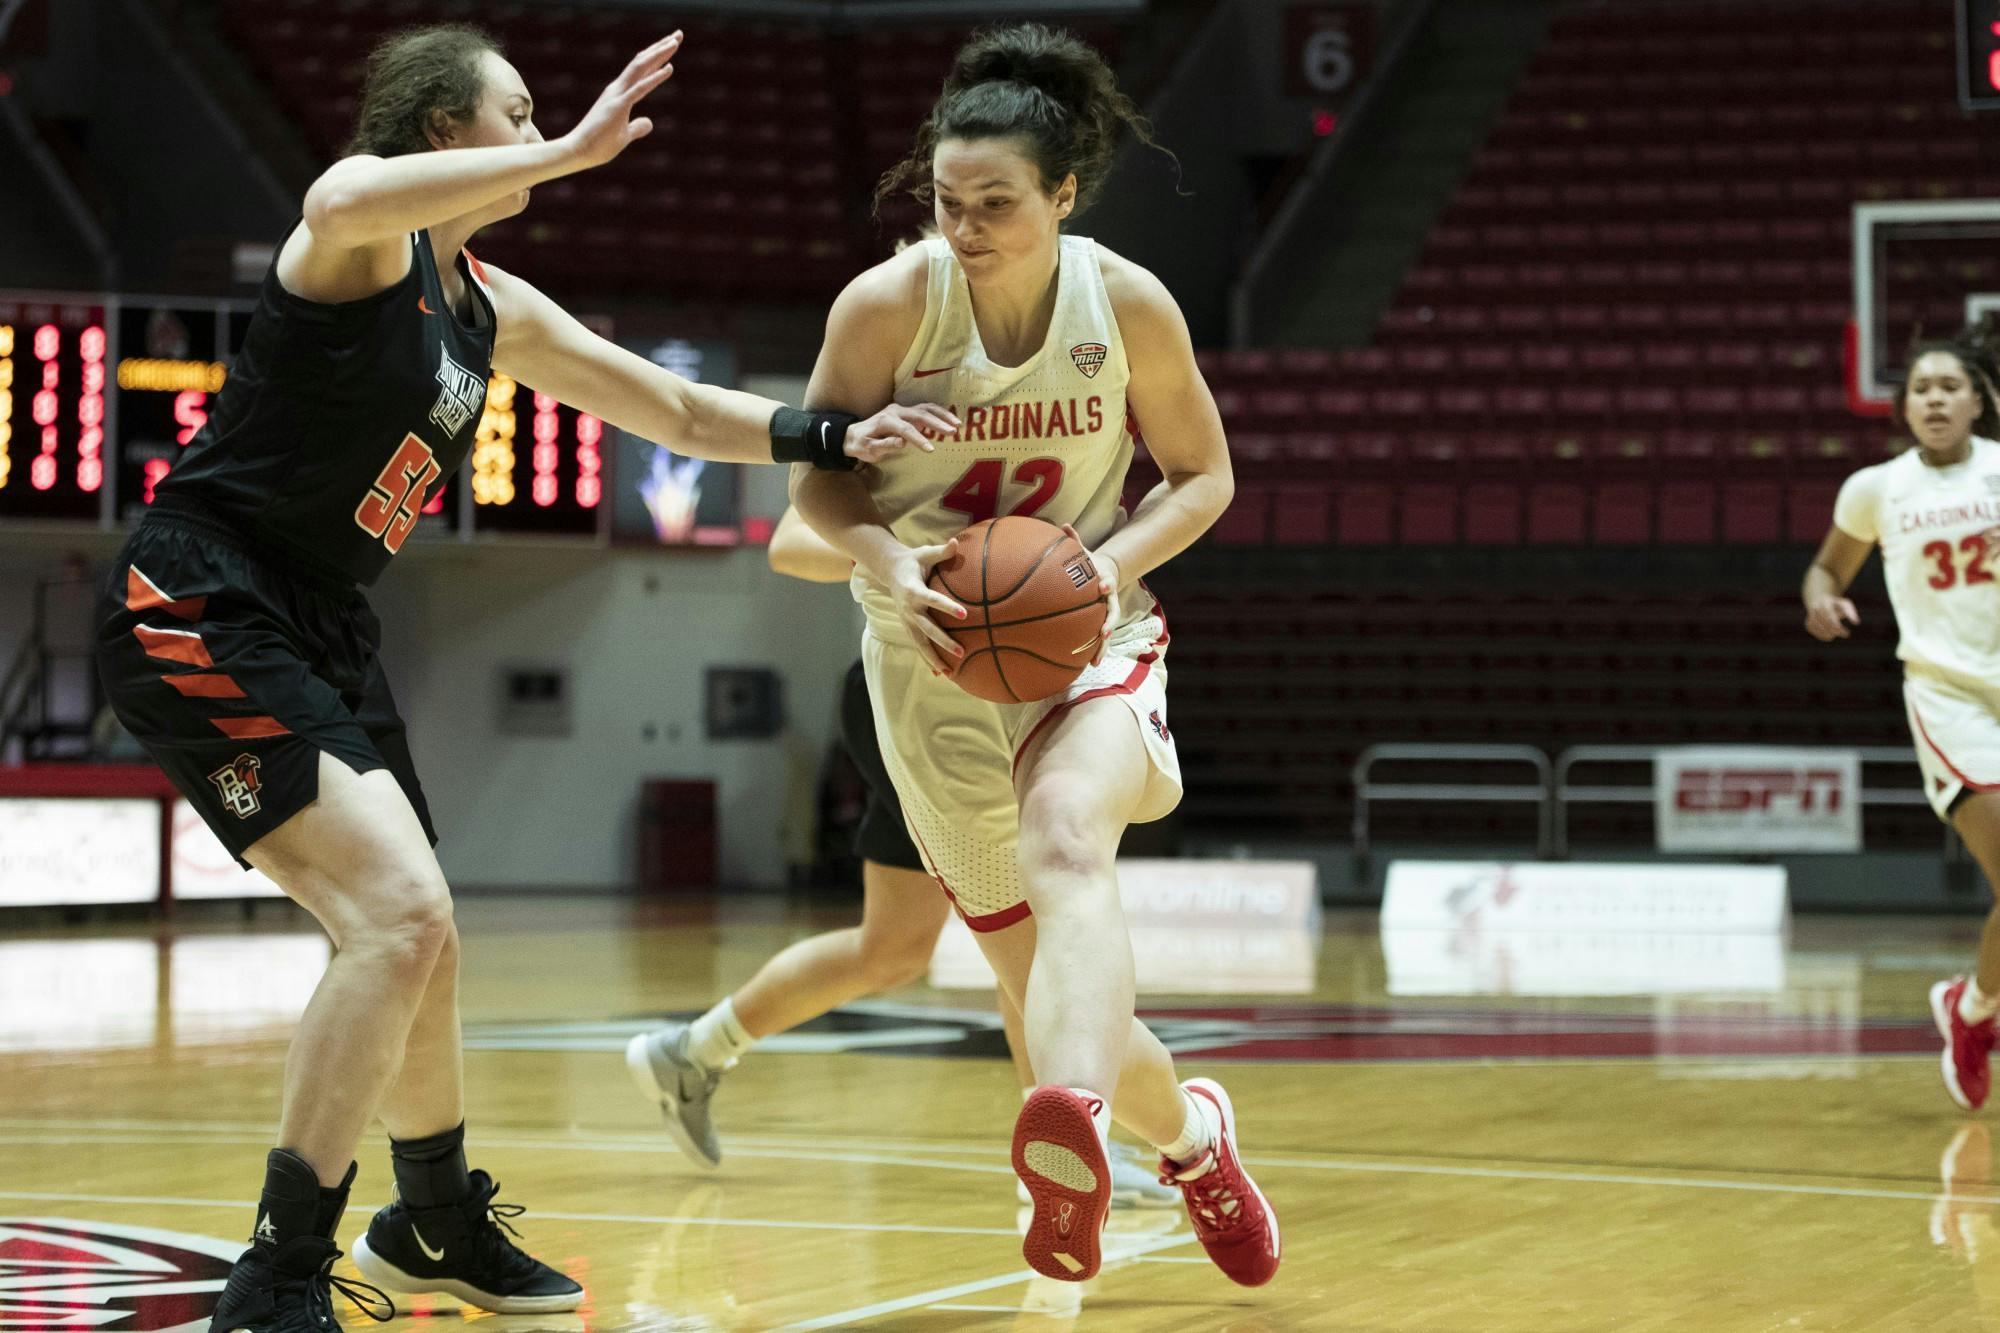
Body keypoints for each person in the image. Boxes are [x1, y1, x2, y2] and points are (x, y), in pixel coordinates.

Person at [92, 25, 948, 1333]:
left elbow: (668, 410)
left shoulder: (489, 304)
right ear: (442, 130)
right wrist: (576, 145)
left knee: (420, 943)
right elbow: (335, 191)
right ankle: (273, 1282)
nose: (541, 126)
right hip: (201, 596)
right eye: (517, 110)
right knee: (400, 914)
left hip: (322, 622)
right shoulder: (361, 241)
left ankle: (428, 1213)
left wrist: (826, 431)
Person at [786, 22, 1279, 1286]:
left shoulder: (1122, 305)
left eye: (995, 204)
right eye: (947, 202)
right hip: (927, 660)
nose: (964, 227)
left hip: (1086, 630)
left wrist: (1096, 569)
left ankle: (1073, 1129)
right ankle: (1192, 1140)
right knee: (1027, 965)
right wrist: (886, 561)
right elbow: (816, 496)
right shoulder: (887, 305)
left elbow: (1204, 477)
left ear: (1063, 195)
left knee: (1068, 838)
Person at [627, 506, 1177, 1210]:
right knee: (1028, 923)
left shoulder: (1058, 419)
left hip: (1006, 682)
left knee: (891, 946)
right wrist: (895, 559)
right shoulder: (908, 425)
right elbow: (792, 543)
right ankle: (1061, 1143)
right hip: (922, 692)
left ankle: (692, 1052)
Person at [1804, 325, 2000, 1113]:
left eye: (1949, 386)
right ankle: (1974, 1009)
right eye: (1921, 389)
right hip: (1948, 698)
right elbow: (1826, 567)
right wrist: (1820, 597)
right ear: (1904, 408)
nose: (1934, 399)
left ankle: (1973, 1006)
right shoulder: (1876, 489)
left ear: (1980, 399)